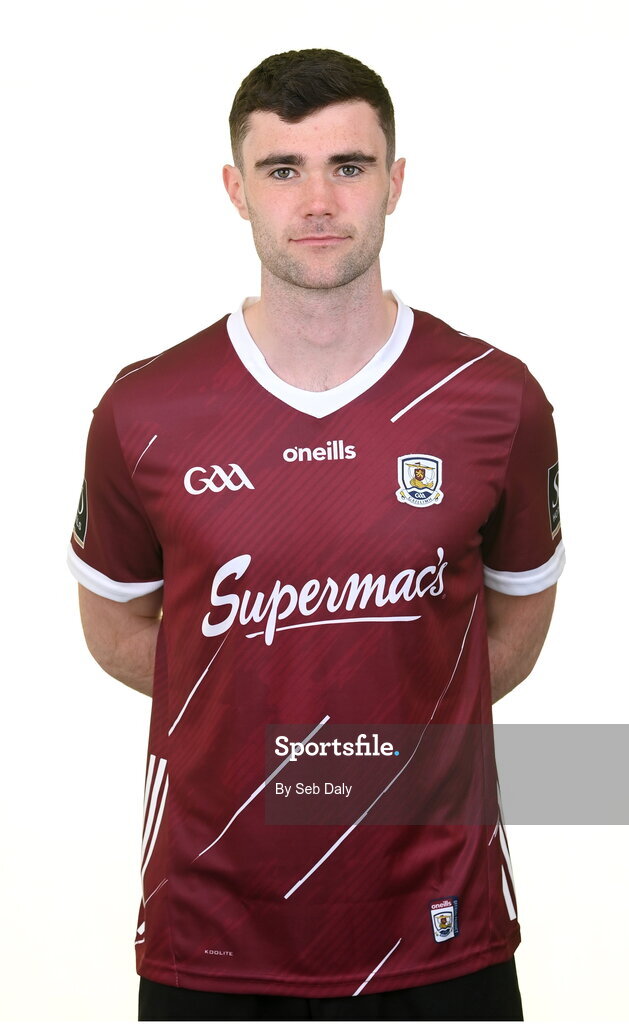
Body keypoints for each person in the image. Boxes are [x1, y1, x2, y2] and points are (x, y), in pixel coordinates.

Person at [68, 48, 565, 1022]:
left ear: (394, 181)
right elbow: (118, 626)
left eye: (347, 165)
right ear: (235, 189)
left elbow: (509, 623)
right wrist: (247, 725)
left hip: (439, 928)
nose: (317, 199)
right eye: (281, 168)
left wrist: (386, 737)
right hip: (210, 933)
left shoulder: (491, 398)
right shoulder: (146, 407)